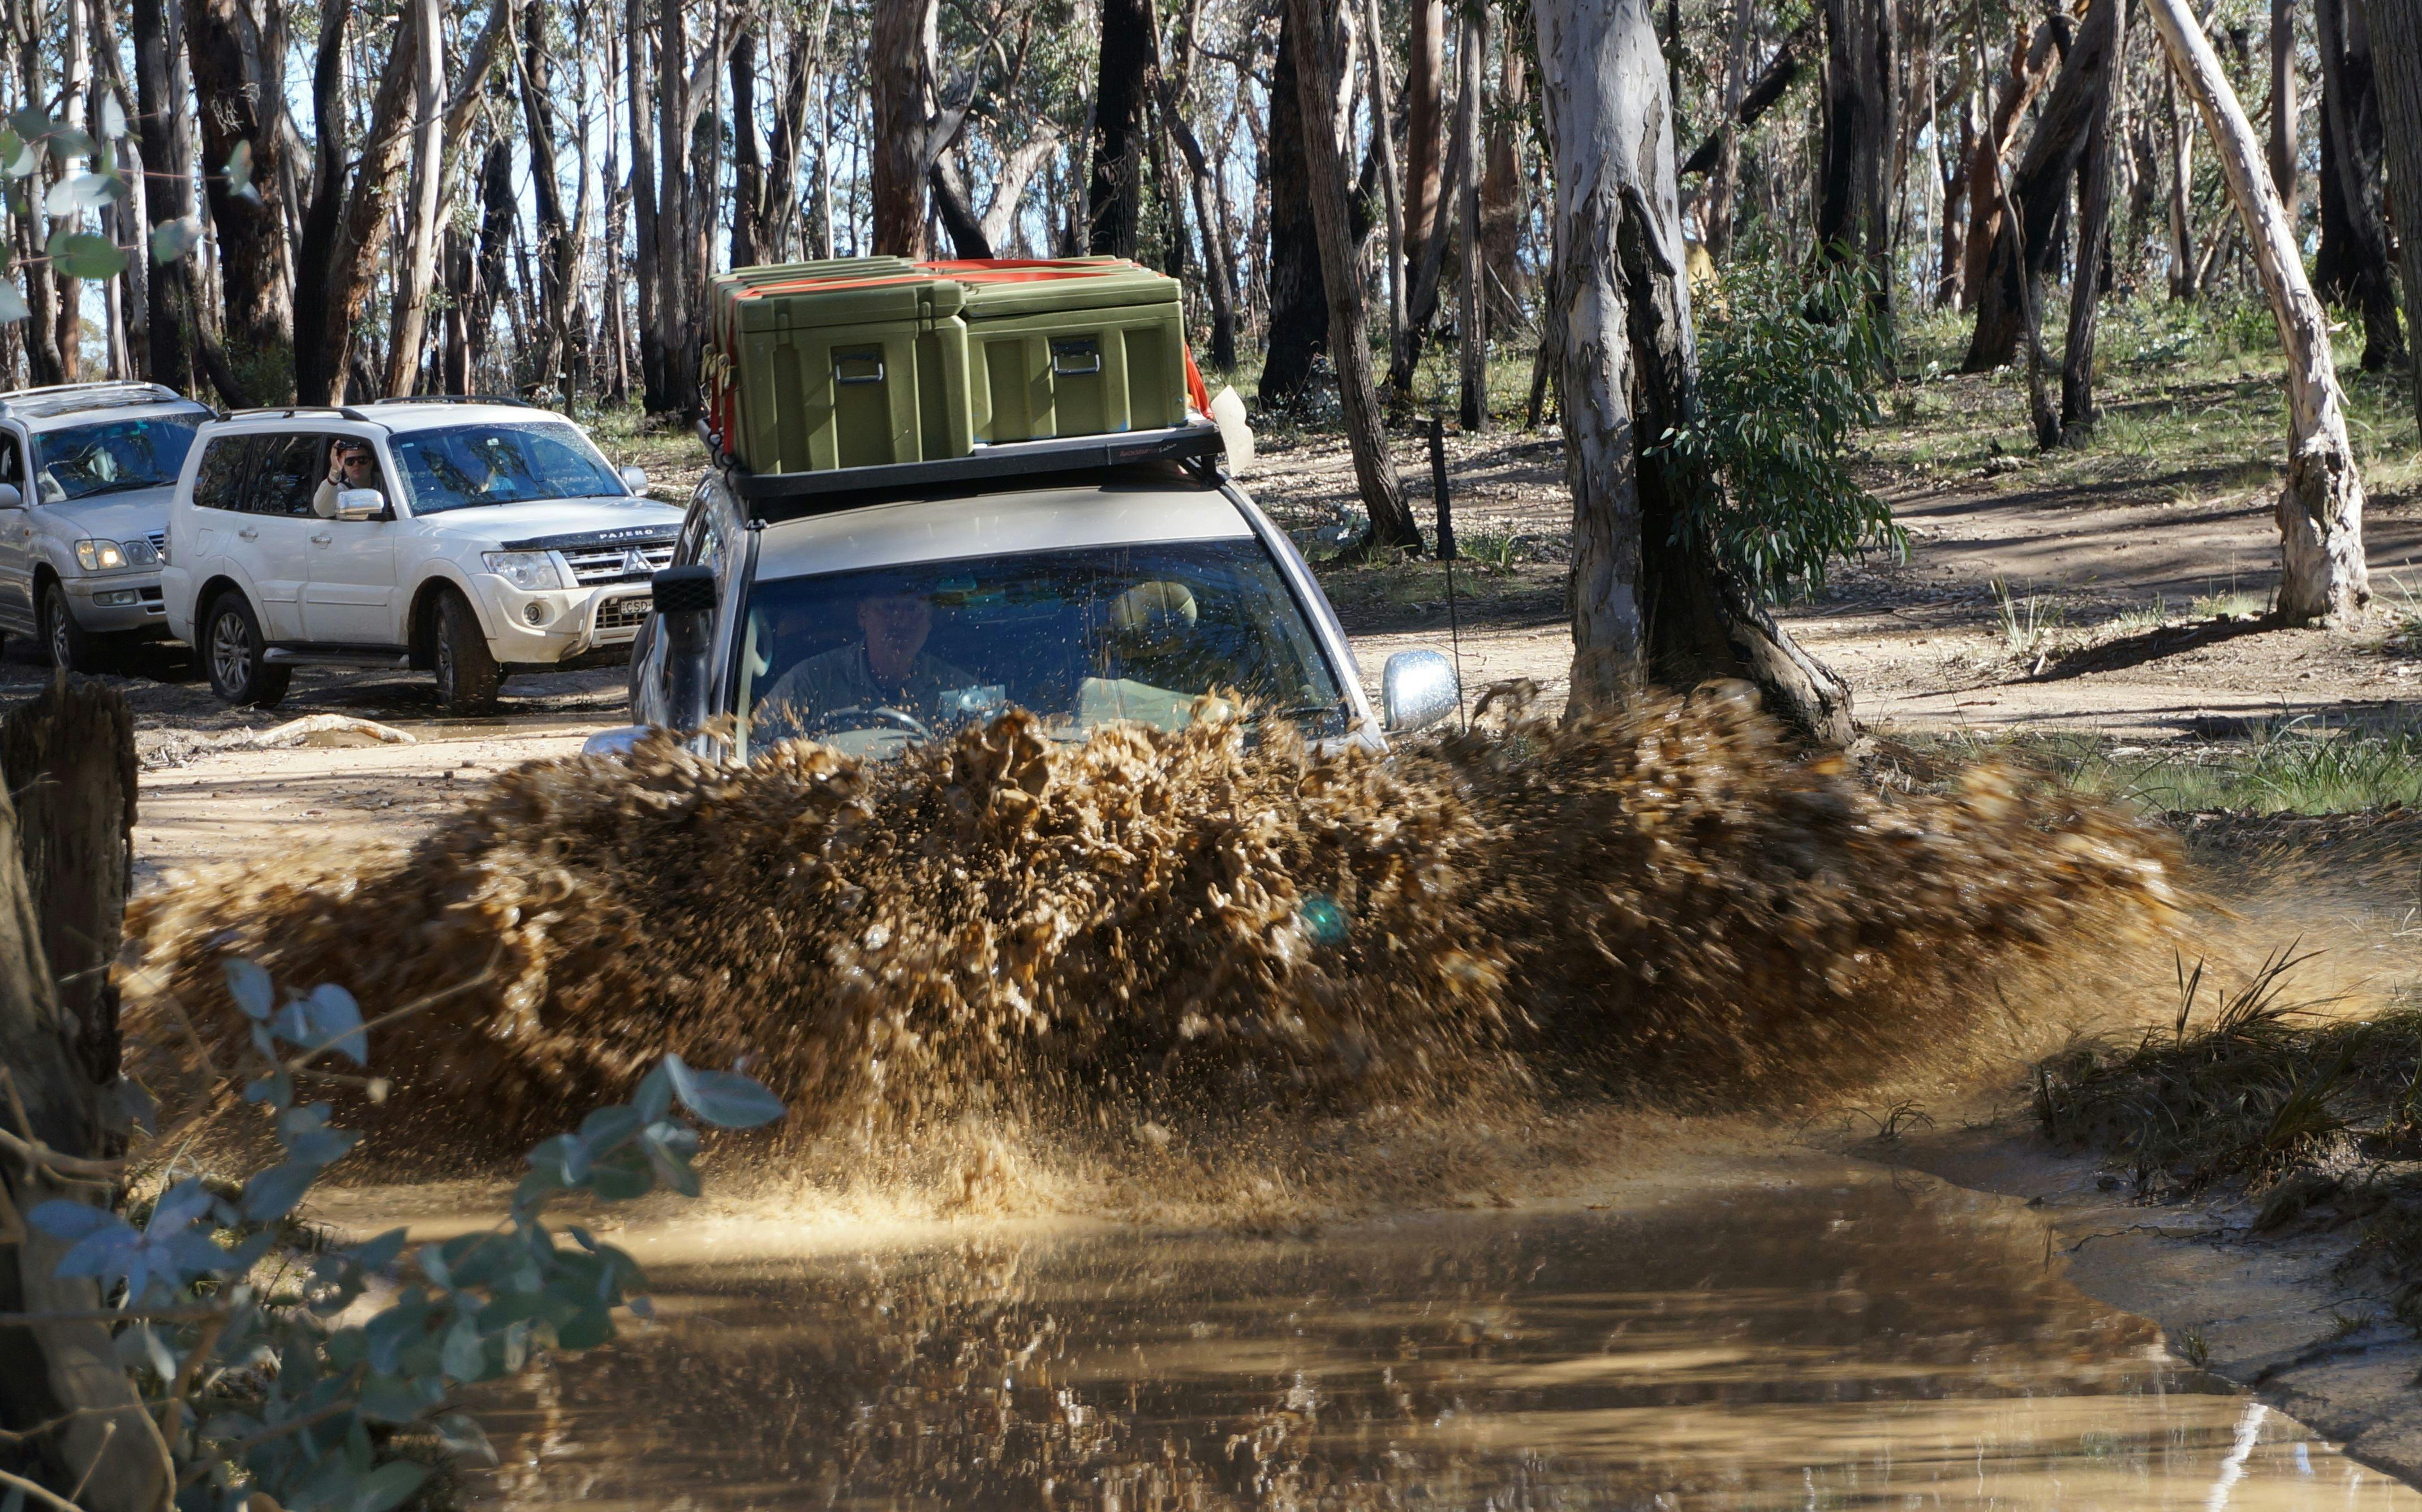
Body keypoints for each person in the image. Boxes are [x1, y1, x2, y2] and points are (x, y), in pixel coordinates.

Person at [756, 588, 976, 733]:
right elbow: (756, 748)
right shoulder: (811, 682)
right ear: (862, 614)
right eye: (890, 607)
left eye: (913, 609)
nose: (901, 621)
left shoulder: (957, 690)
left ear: (929, 621)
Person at [312, 439, 383, 519]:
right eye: (350, 461)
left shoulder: (388, 483)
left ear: (371, 463)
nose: (356, 464)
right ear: (344, 467)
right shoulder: (341, 492)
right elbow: (322, 511)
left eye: (362, 460)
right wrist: (335, 473)